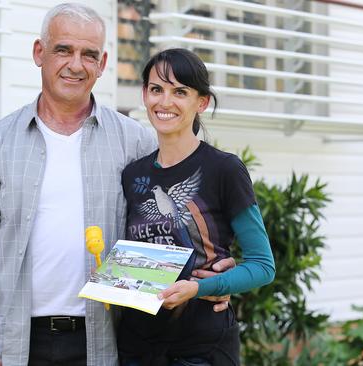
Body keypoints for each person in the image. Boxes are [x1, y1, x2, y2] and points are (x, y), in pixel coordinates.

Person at [0, 4, 233, 366]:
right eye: (63, 50)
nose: (76, 64)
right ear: (39, 53)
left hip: (108, 341)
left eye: (89, 54)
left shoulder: (135, 142)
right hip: (16, 343)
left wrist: (215, 277)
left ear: (102, 63)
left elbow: (175, 227)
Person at [118, 48, 276, 366]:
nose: (165, 102)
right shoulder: (132, 174)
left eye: (180, 91)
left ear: (201, 102)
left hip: (202, 346)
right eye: (156, 89)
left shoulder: (225, 169)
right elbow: (138, 261)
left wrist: (201, 287)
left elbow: (262, 266)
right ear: (144, 95)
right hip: (138, 344)